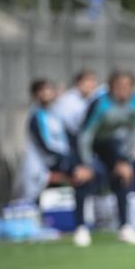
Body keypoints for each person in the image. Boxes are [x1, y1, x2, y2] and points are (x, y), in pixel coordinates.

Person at [77, 70, 135, 246]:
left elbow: (133, 133)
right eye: (119, 86)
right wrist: (85, 163)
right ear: (111, 88)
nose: (123, 90)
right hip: (85, 142)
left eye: (127, 86)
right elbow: (86, 134)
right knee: (83, 177)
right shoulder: (101, 103)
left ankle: (124, 227)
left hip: (109, 142)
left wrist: (125, 160)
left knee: (123, 176)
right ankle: (81, 228)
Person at [21, 80, 94, 225]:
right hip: (44, 163)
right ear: (35, 95)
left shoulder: (56, 114)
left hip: (59, 160)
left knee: (85, 173)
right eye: (42, 91)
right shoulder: (36, 116)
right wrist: (66, 160)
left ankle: (80, 221)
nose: (46, 94)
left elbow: (70, 137)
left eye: (49, 90)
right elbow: (45, 145)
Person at [52, 69, 100, 137]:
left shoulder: (90, 98)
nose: (91, 84)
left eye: (93, 80)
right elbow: (72, 126)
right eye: (88, 80)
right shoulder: (68, 100)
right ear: (78, 82)